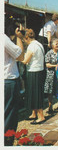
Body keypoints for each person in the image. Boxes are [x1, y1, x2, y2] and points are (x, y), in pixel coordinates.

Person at [4, 18, 25, 146]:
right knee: (9, 114)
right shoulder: (4, 39)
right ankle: (7, 143)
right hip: (8, 80)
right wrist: (19, 38)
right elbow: (21, 56)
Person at [22, 28, 46, 125]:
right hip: (39, 70)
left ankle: (41, 116)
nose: (24, 41)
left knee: (35, 94)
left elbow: (25, 61)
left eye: (24, 39)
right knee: (35, 93)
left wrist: (17, 57)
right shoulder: (39, 44)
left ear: (27, 37)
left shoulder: (31, 46)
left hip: (33, 71)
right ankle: (34, 113)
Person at [44, 38, 58, 114]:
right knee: (50, 91)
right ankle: (50, 107)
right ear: (52, 45)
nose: (57, 45)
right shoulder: (49, 53)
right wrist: (55, 65)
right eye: (56, 44)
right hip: (51, 74)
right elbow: (47, 64)